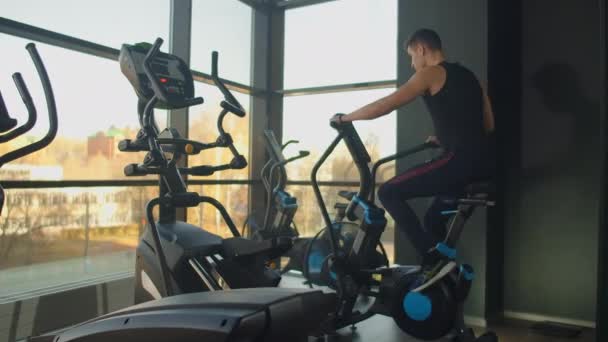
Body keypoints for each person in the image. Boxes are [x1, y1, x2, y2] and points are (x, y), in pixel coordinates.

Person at [330, 28, 495, 271]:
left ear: (421, 49)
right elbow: (488, 125)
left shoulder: (430, 73)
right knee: (432, 220)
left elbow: (386, 105)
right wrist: (445, 136)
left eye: (411, 56)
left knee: (388, 192)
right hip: (482, 164)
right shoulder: (471, 77)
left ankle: (431, 256)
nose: (412, 63)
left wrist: (345, 118)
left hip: (457, 161)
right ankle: (439, 276)